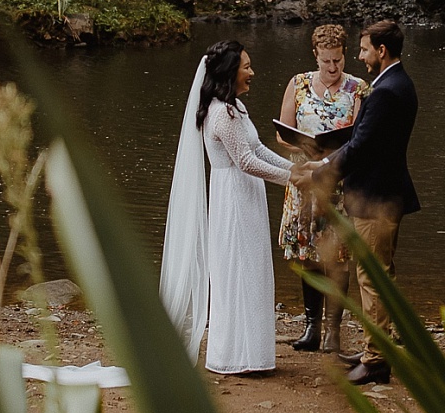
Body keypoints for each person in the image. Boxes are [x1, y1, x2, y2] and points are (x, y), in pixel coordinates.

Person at [158, 38, 291, 375]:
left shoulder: (237, 109)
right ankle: (234, 354)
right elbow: (245, 162)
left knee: (253, 270)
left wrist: (296, 168)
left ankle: (254, 352)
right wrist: (292, 181)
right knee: (237, 271)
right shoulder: (222, 115)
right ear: (230, 73)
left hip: (247, 195)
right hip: (232, 198)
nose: (252, 72)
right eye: (246, 67)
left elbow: (258, 149)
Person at [324, 19, 417, 384]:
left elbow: (362, 147)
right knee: (380, 276)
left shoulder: (385, 91)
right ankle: (373, 348)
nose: (359, 56)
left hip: (375, 199)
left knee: (372, 279)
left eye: (364, 50)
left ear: (381, 51)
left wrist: (323, 169)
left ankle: (377, 360)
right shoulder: (397, 83)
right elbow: (366, 136)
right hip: (386, 193)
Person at [277, 24, 366, 353]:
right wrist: (304, 147)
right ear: (315, 55)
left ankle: (332, 330)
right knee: (306, 254)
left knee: (338, 257)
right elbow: (282, 134)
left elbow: (360, 140)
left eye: (338, 61)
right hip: (304, 184)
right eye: (326, 61)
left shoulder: (358, 89)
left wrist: (331, 155)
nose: (332, 68)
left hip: (338, 183)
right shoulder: (298, 84)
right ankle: (311, 326)